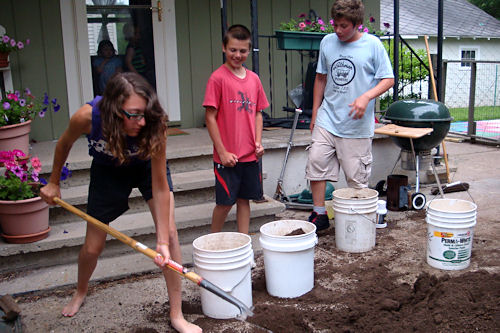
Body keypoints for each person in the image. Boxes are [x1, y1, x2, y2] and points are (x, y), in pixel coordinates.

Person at [40, 72, 201, 333]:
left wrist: (160, 240)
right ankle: (81, 290)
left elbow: (160, 186)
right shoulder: (87, 117)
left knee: (170, 235)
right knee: (92, 247)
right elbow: (63, 144)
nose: (141, 120)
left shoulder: (154, 122)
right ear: (115, 110)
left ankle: (177, 314)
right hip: (108, 169)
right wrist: (54, 181)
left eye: (144, 113)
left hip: (146, 165)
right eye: (133, 114)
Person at [305, 0, 394, 231]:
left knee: (356, 178)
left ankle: (357, 221)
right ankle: (319, 213)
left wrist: (366, 97)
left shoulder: (372, 45)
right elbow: (321, 78)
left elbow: (388, 79)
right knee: (316, 161)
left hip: (356, 124)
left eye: (344, 26)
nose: (338, 30)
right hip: (328, 116)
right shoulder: (327, 42)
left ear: (358, 24)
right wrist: (315, 111)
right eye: (335, 24)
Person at [203, 24, 269, 234]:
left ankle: (244, 244)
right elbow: (210, 117)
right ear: (224, 47)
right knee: (224, 203)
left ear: (249, 51)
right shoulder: (217, 78)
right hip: (227, 157)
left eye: (242, 51)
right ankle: (212, 243)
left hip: (250, 156)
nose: (237, 55)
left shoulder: (254, 79)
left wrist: (258, 142)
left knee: (244, 201)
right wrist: (221, 151)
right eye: (233, 49)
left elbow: (258, 112)